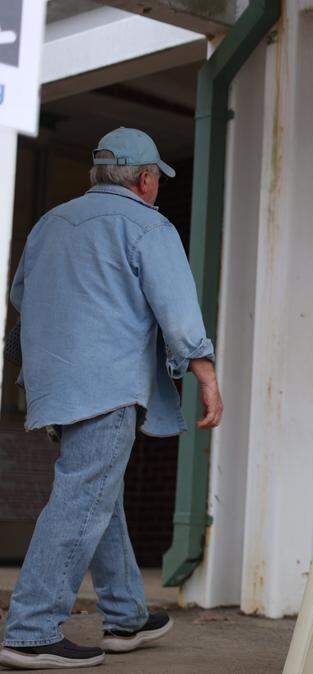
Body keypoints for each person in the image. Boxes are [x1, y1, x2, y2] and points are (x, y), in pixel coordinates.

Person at [0, 128, 223, 670]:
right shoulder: (148, 225)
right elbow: (176, 307)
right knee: (83, 495)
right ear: (146, 179)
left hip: (54, 384)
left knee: (97, 490)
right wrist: (206, 374)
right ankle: (30, 629)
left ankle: (127, 615)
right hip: (106, 384)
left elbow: (21, 296)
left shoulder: (50, 224)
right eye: (156, 179)